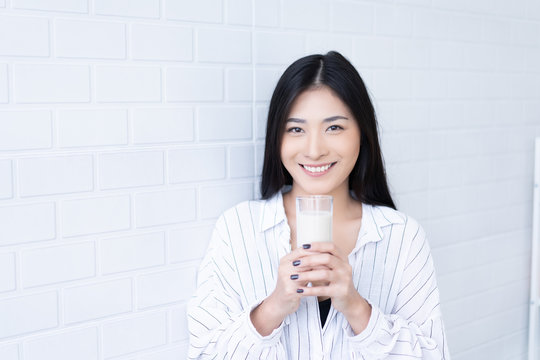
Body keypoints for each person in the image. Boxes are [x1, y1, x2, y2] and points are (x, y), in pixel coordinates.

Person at [187, 51, 450, 359]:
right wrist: (272, 308)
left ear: (362, 135)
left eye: (334, 128)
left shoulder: (402, 236)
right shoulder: (239, 228)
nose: (314, 150)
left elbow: (434, 355)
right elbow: (204, 352)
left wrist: (356, 308)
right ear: (277, 138)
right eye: (296, 129)